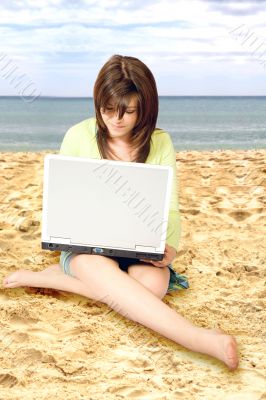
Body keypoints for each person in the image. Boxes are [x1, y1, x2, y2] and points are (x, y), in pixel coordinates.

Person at [3, 54, 238, 370]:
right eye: (107, 109)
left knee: (153, 287)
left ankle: (59, 280)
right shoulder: (78, 135)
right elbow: (63, 198)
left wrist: (169, 248)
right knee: (116, 281)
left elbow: (170, 206)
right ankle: (197, 338)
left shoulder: (160, 141)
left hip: (139, 246)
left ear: (146, 107)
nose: (116, 119)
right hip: (87, 248)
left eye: (128, 110)